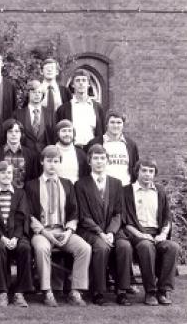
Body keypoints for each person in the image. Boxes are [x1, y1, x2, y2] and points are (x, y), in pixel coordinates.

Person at [26, 145, 91, 307]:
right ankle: (47, 291)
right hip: (42, 232)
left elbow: (74, 212)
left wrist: (69, 232)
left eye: (56, 161)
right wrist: (46, 234)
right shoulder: (31, 185)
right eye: (49, 161)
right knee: (41, 249)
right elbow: (29, 215)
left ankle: (75, 291)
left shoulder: (67, 184)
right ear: (42, 162)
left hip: (63, 231)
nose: (52, 164)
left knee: (84, 248)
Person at [75, 144, 132, 306]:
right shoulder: (81, 185)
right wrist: (101, 233)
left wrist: (111, 233)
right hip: (90, 230)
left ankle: (122, 291)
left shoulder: (116, 183)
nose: (99, 162)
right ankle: (98, 291)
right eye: (95, 158)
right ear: (89, 162)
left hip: (113, 229)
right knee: (101, 247)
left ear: (107, 161)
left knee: (124, 247)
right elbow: (84, 216)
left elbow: (118, 213)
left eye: (102, 158)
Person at [122, 159, 181, 305]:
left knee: (173, 247)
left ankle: (163, 291)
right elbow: (125, 221)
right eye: (144, 170)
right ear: (137, 172)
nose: (147, 174)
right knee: (146, 246)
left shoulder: (160, 191)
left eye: (151, 171)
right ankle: (150, 292)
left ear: (154, 173)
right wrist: (141, 235)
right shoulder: (127, 191)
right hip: (136, 234)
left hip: (157, 234)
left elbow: (167, 217)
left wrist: (162, 235)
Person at [0, 161, 33, 307]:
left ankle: (19, 293)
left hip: (16, 235)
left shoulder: (20, 193)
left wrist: (16, 237)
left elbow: (22, 217)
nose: (6, 175)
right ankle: (2, 292)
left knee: (25, 248)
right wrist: (2, 238)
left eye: (9, 172)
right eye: (3, 172)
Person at [86, 111, 140, 186]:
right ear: (106, 124)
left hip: (125, 188)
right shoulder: (94, 143)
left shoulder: (131, 145)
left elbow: (135, 168)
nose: (115, 125)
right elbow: (87, 167)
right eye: (112, 122)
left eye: (119, 122)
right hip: (103, 189)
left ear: (123, 125)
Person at [55, 69, 105, 147]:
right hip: (72, 150)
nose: (81, 83)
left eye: (84, 80)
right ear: (73, 85)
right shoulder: (63, 109)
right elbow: (58, 133)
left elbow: (102, 132)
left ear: (88, 84)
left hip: (93, 151)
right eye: (77, 80)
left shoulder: (98, 108)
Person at [0, 119, 40, 189]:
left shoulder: (32, 155)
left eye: (17, 131)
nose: (14, 134)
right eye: (10, 131)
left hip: (24, 196)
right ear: (5, 134)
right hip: (1, 194)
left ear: (21, 134)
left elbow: (34, 179)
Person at [14, 79, 50, 154]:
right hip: (25, 154)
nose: (37, 94)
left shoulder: (50, 114)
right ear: (28, 94)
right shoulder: (17, 114)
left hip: (45, 155)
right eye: (34, 92)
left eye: (39, 92)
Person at [39, 58, 71, 126]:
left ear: (57, 72)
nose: (49, 70)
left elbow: (70, 113)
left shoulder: (65, 91)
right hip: (40, 131)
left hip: (60, 130)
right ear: (41, 72)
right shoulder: (35, 91)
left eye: (52, 68)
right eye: (47, 68)